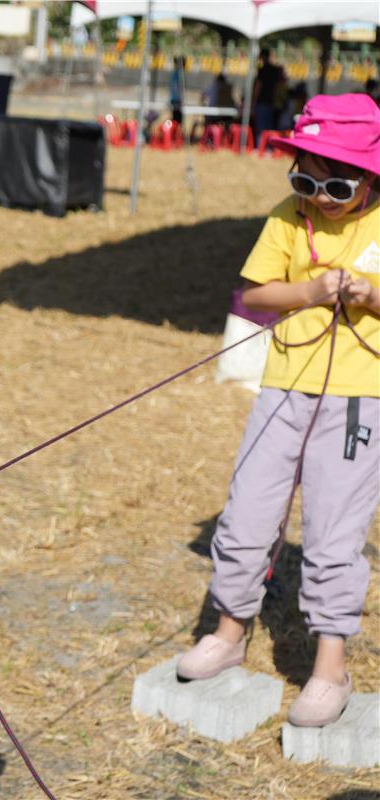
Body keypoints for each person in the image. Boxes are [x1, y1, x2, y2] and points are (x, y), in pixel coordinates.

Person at [177, 94, 380, 729]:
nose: (318, 194)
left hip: (357, 400)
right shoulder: (287, 217)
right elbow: (258, 291)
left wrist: (370, 296)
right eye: (304, 178)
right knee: (247, 511)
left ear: (371, 176)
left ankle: (328, 667)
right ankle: (230, 629)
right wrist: (312, 290)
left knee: (333, 534)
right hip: (283, 387)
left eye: (337, 183)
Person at [252, 48, 280, 141]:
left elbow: (258, 86)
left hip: (262, 101)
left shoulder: (263, 70)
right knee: (269, 126)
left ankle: (261, 146)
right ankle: (269, 146)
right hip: (271, 101)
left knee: (261, 126)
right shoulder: (275, 70)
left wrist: (254, 101)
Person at [170, 56, 186, 124]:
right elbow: (177, 89)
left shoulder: (176, 74)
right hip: (177, 100)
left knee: (176, 120)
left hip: (175, 100)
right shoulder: (178, 74)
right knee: (177, 121)